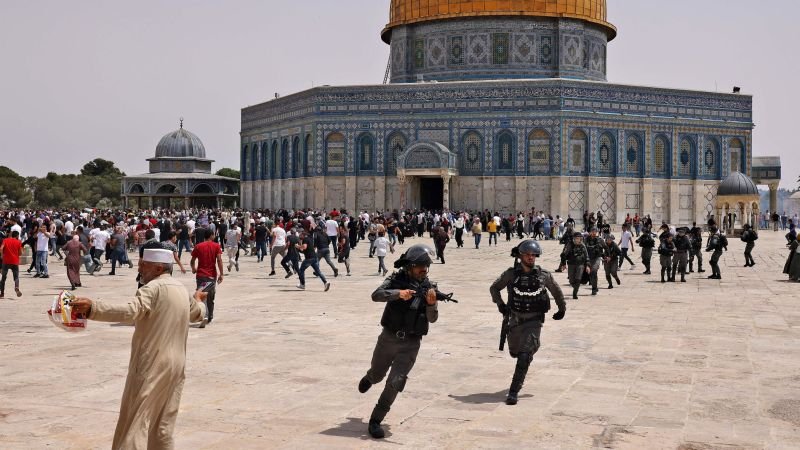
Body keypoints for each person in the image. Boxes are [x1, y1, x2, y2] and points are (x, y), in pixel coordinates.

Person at [70, 249, 207, 449]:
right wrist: (198, 299)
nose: (140, 268)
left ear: (158, 267)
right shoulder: (180, 288)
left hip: (151, 365)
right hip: (176, 366)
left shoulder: (152, 289)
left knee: (134, 423)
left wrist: (93, 308)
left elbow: (130, 311)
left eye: (144, 264)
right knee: (163, 425)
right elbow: (197, 313)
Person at [357, 244, 449, 439]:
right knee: (378, 374)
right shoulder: (395, 280)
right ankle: (370, 378)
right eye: (420, 266)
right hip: (389, 339)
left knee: (396, 381)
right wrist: (398, 294)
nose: (424, 269)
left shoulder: (429, 288)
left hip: (411, 344)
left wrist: (432, 304)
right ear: (410, 266)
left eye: (426, 266)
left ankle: (376, 419)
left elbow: (432, 319)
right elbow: (376, 295)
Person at [490, 240, 565, 405]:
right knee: (515, 352)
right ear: (520, 256)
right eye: (527, 255)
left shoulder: (543, 275)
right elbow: (494, 288)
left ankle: (513, 391)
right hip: (515, 320)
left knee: (524, 356)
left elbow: (557, 291)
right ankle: (527, 351)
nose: (531, 258)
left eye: (533, 255)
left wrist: (562, 309)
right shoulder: (511, 274)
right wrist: (501, 305)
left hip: (534, 321)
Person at [190, 231, 223, 327]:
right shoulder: (216, 246)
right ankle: (209, 316)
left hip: (200, 275)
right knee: (210, 297)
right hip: (211, 276)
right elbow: (219, 260)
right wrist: (221, 274)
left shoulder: (198, 246)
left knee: (201, 295)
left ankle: (204, 315)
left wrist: (193, 268)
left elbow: (192, 260)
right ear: (211, 236)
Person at [561, 232, 590, 299]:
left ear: (581, 239)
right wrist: (563, 264)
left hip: (580, 265)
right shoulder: (569, 245)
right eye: (576, 238)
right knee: (571, 280)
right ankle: (576, 287)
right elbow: (563, 255)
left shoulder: (583, 245)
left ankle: (575, 293)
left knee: (578, 279)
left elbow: (587, 256)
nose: (577, 240)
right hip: (571, 264)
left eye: (579, 238)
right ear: (574, 239)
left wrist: (588, 265)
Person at [583, 227, 607, 296]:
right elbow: (583, 248)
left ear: (596, 232)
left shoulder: (600, 240)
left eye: (595, 231)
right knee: (592, 273)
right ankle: (595, 286)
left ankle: (593, 289)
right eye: (592, 231)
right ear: (590, 232)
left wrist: (607, 256)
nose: (593, 233)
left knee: (593, 270)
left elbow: (605, 247)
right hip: (589, 258)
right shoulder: (586, 239)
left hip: (597, 257)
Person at [0, 230, 23, 298]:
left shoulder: (5, 240)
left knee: (3, 278)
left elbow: (1, 248)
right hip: (15, 261)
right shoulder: (18, 242)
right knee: (16, 277)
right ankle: (16, 287)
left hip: (6, 261)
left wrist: (2, 255)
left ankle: (2, 294)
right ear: (17, 236)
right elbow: (21, 253)